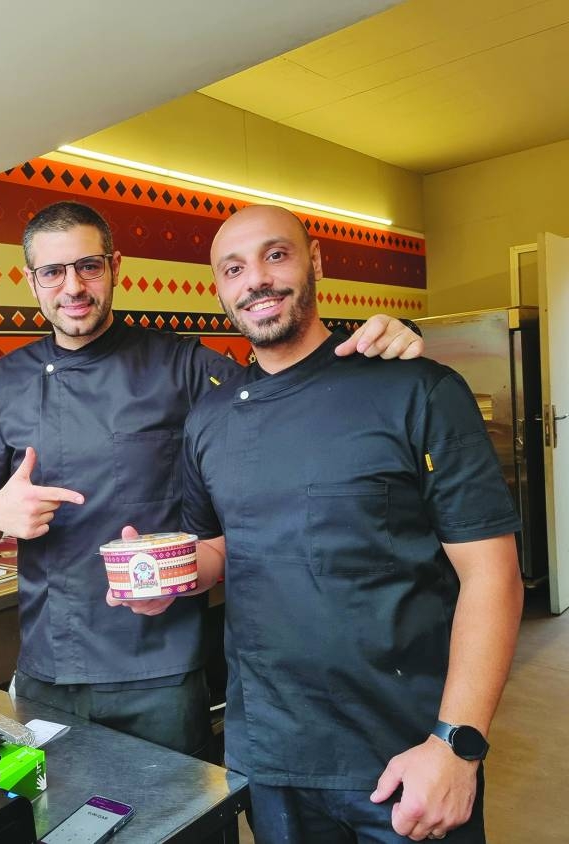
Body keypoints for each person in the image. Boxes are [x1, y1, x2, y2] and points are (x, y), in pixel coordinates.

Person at [0, 200, 425, 756]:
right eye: (52, 272)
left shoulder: (182, 366)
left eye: (89, 266)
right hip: (47, 665)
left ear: (116, 266)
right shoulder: (4, 381)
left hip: (160, 667)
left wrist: (385, 342)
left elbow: (289, 389)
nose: (72, 287)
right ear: (32, 282)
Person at [171, 204, 522, 842]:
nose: (256, 280)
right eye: (234, 268)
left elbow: (493, 576)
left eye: (275, 255)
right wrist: (168, 574)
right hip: (273, 757)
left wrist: (456, 744)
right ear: (220, 289)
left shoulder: (414, 388)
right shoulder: (210, 419)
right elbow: (224, 546)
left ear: (316, 263)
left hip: (407, 753)